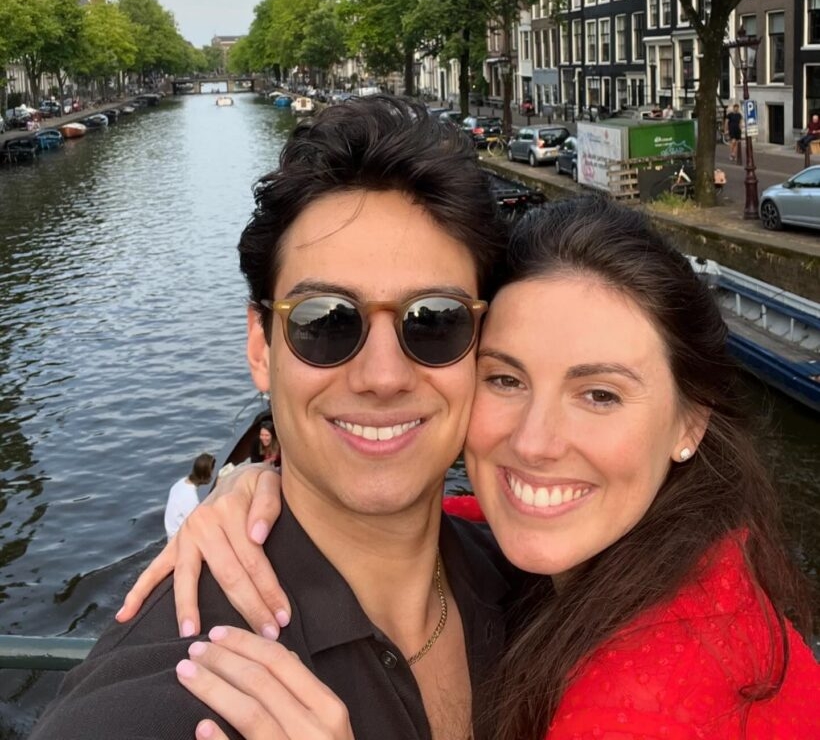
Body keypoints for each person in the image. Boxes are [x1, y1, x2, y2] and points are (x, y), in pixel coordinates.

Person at [139, 197, 819, 740]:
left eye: (600, 394)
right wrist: (262, 483)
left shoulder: (643, 700)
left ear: (688, 424)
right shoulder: (692, 560)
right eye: (505, 380)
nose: (537, 442)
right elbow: (444, 520)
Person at [28, 97, 513, 740]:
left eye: (434, 321)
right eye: (326, 322)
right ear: (261, 347)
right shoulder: (168, 701)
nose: (383, 376)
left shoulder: (534, 587)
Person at [163, 452, 215, 541]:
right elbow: (197, 527)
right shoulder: (191, 498)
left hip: (171, 533)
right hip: (178, 540)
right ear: (204, 476)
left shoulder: (180, 483)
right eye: (211, 474)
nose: (212, 476)